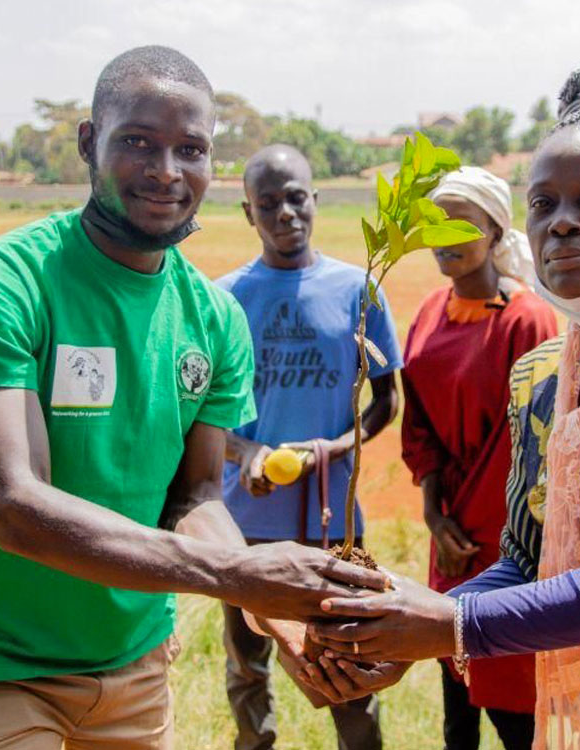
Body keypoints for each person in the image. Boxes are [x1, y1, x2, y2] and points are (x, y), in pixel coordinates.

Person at [0, 46, 386, 750]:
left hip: (134, 669)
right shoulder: (1, 284)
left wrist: (281, 617)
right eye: (138, 142)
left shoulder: (214, 320)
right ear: (88, 144)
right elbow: (17, 509)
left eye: (190, 149)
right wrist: (241, 572)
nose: (167, 172)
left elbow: (194, 497)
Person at [307, 56, 580, 750]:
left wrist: (452, 626)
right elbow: (525, 562)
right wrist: (403, 630)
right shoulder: (540, 380)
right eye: (544, 203)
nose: (561, 224)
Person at [216, 143, 402, 750]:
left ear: (315, 201)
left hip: (332, 518)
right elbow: (201, 416)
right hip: (246, 520)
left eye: (296, 198)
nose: (285, 214)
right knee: (248, 662)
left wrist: (332, 448)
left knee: (348, 657)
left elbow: (385, 402)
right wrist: (246, 457)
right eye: (267, 204)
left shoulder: (359, 290)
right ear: (249, 214)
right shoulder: (224, 299)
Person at [401, 166, 557, 749]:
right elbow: (419, 424)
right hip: (450, 529)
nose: (443, 236)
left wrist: (469, 521)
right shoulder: (428, 313)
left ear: (494, 230)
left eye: (460, 224)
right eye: (433, 223)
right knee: (454, 686)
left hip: (507, 534)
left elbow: (532, 443)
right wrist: (434, 513)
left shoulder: (528, 320)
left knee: (511, 690)